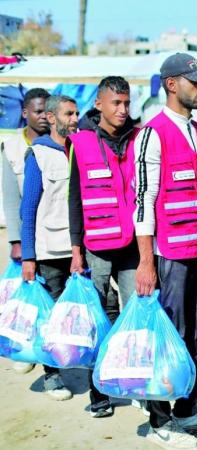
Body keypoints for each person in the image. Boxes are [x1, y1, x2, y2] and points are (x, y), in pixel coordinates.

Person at [133, 53, 197, 449]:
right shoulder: (152, 133)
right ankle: (159, 418)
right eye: (195, 82)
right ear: (171, 84)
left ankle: (186, 407)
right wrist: (146, 262)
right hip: (167, 256)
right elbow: (144, 200)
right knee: (170, 336)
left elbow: (196, 195)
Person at [66, 76, 140, 418]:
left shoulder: (139, 138)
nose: (123, 110)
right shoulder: (79, 142)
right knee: (96, 320)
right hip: (95, 246)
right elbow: (75, 200)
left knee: (134, 315)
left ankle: (133, 383)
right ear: (99, 105)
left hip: (130, 246)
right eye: (116, 103)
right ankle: (99, 393)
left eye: (126, 103)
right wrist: (77, 251)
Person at [20, 94, 79, 401]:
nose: (74, 119)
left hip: (78, 247)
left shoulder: (80, 149)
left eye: (77, 113)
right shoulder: (39, 155)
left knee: (79, 310)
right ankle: (52, 376)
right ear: (53, 118)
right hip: (49, 250)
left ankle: (81, 360)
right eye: (69, 113)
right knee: (50, 315)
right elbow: (28, 208)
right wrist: (28, 256)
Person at [0, 88, 50, 375]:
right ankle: (27, 347)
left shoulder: (61, 143)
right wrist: (17, 240)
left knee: (51, 295)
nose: (43, 116)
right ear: (24, 113)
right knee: (30, 296)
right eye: (37, 111)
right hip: (28, 235)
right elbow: (10, 197)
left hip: (55, 233)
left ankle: (50, 354)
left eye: (47, 110)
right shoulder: (12, 147)